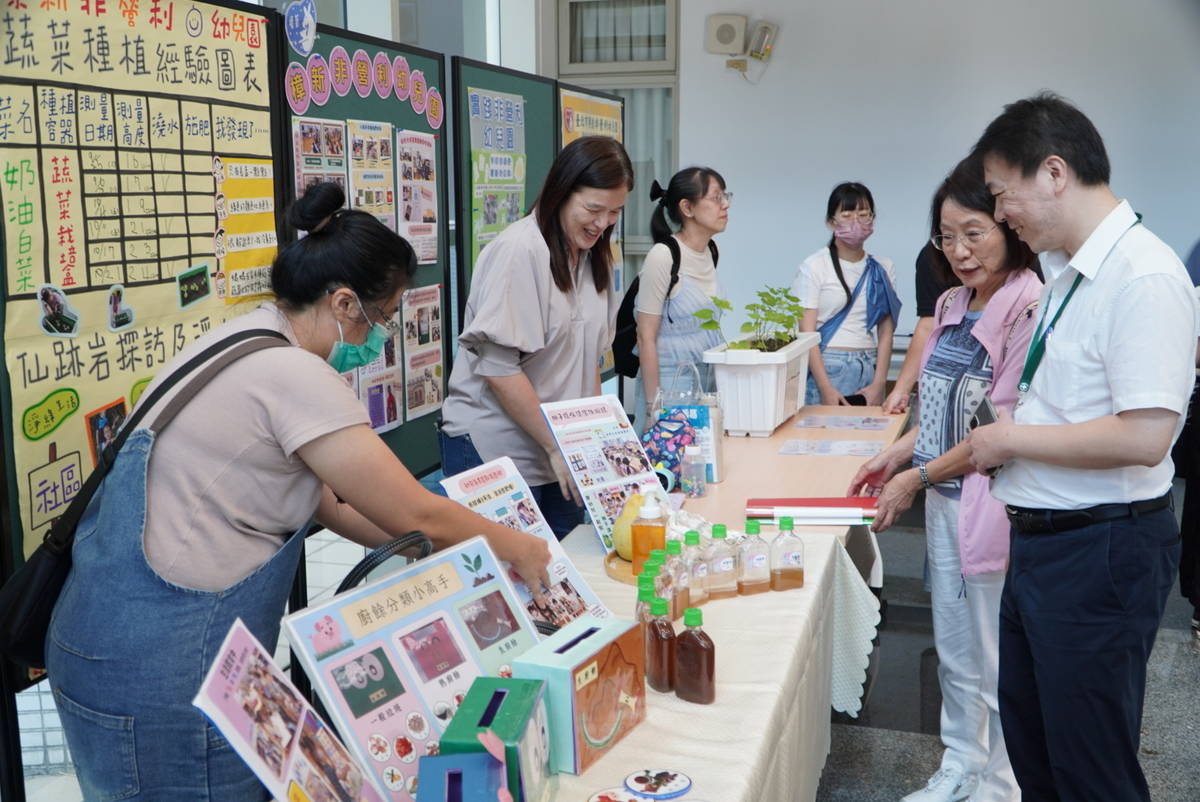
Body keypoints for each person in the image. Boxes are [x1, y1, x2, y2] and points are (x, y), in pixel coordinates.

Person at [46, 182, 552, 802]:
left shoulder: (244, 337)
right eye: (385, 316)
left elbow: (338, 503)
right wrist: (516, 547)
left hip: (115, 643)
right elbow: (414, 507)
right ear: (344, 303)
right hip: (163, 669)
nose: (384, 335)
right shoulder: (295, 375)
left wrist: (427, 549)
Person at [965, 92, 1198, 801]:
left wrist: (1011, 437)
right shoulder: (1068, 274)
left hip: (1099, 552)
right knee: (1039, 754)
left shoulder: (1144, 275)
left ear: (1055, 173)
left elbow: (1146, 434)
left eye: (1004, 195)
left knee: (1091, 769)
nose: (1001, 215)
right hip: (1045, 544)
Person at [849, 159, 1041, 802]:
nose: (958, 251)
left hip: (991, 506)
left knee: (995, 656)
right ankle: (959, 762)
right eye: (946, 236)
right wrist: (897, 456)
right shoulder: (953, 303)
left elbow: (1001, 425)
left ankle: (1001, 782)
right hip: (943, 500)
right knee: (955, 647)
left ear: (1008, 228)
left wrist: (917, 474)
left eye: (974, 233)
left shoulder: (1026, 306)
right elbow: (939, 408)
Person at [439, 136, 634, 538]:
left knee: (566, 577)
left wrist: (591, 444)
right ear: (562, 192)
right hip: (497, 450)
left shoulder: (593, 257)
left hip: (559, 452)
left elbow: (588, 364)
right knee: (514, 585)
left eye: (615, 212)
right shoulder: (520, 250)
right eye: (593, 209)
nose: (602, 223)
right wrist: (555, 447)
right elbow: (496, 367)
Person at [634, 167, 730, 427]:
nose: (725, 205)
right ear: (687, 208)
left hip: (708, 379)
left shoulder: (711, 249)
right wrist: (653, 408)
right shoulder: (663, 255)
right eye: (716, 197)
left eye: (726, 196)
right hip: (671, 384)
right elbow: (646, 337)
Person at [793, 182, 902, 406]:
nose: (856, 221)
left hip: (869, 366)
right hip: (829, 366)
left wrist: (879, 383)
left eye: (863, 214)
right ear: (831, 221)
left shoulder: (883, 267)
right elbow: (807, 332)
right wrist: (825, 387)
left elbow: (886, 331)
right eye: (847, 213)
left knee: (868, 441)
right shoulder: (814, 266)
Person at [882, 243, 961, 414]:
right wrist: (901, 389)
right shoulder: (933, 255)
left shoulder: (1020, 264)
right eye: (947, 234)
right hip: (945, 378)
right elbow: (928, 324)